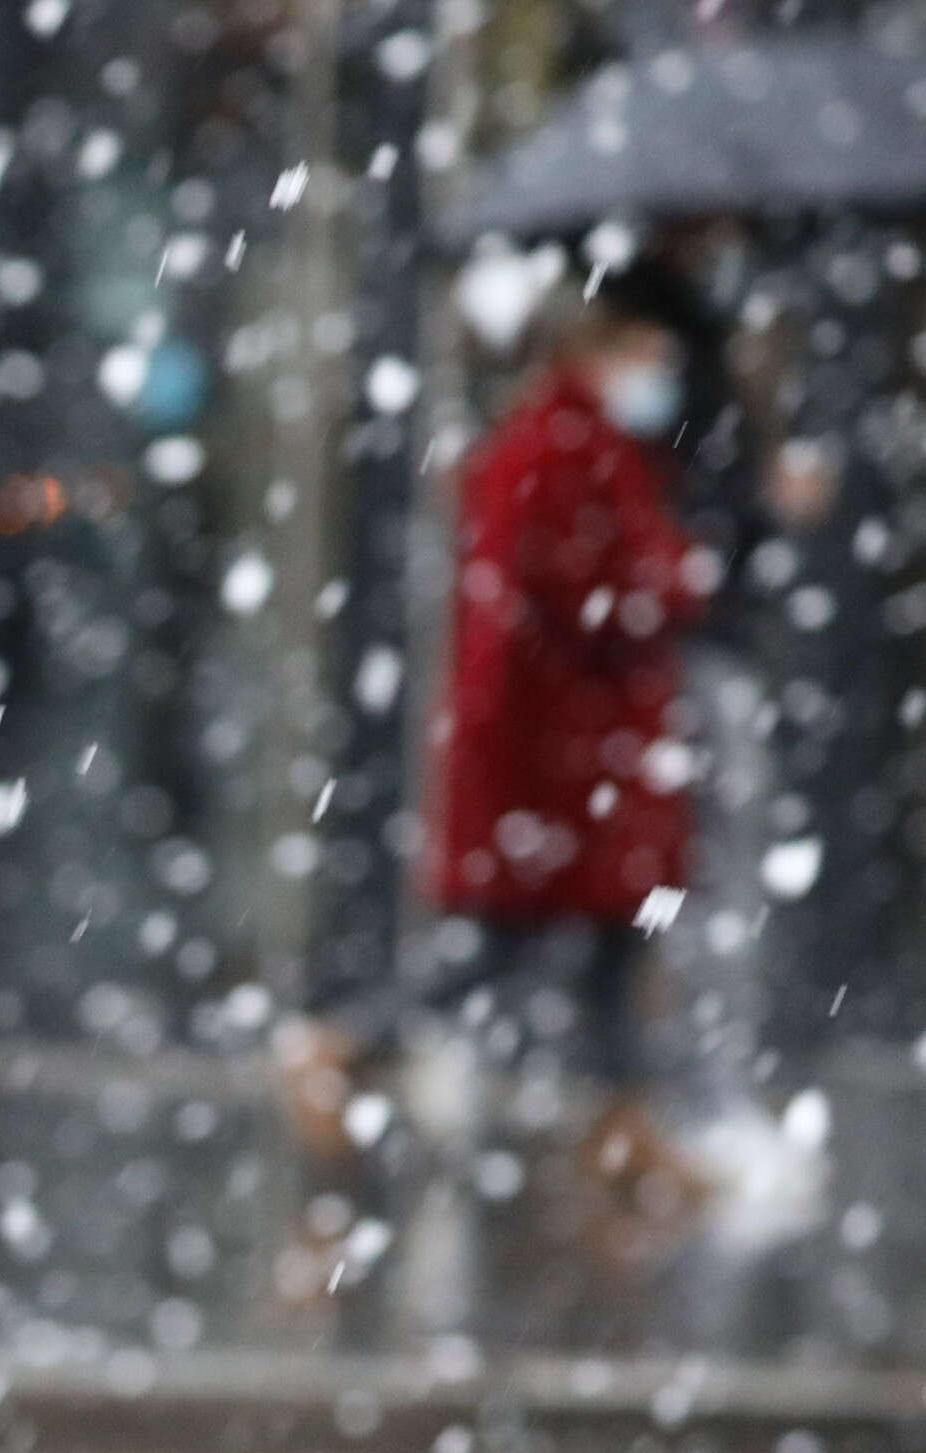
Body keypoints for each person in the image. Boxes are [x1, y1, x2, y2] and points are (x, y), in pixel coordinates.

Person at [294, 263, 715, 1251]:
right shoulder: (565, 451)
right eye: (640, 352)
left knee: (582, 950)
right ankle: (344, 1040)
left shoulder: (563, 446)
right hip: (563, 759)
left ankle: (620, 1129)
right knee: (525, 947)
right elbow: (589, 589)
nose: (653, 372)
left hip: (567, 757)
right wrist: (675, 579)